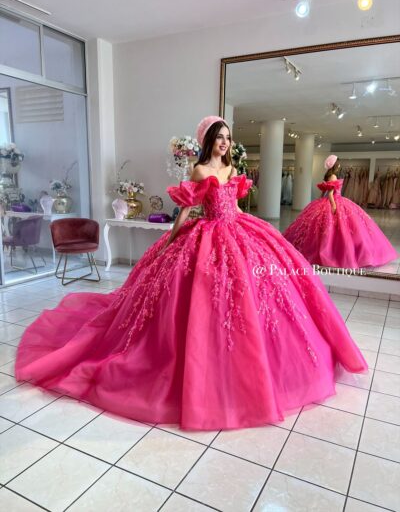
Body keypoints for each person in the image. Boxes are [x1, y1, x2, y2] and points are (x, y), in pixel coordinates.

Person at [15, 118, 368, 431]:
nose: (225, 143)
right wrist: (170, 240)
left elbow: (236, 205)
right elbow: (186, 209)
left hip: (237, 228)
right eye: (220, 137)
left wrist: (250, 224)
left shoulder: (232, 169)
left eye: (228, 137)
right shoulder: (200, 171)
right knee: (193, 294)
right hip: (208, 231)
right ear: (209, 140)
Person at [284, 154, 398, 269]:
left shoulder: (327, 175)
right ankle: (335, 253)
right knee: (339, 227)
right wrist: (333, 206)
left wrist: (320, 199)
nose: (339, 166)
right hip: (335, 200)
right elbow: (330, 193)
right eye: (338, 164)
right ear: (335, 165)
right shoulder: (333, 176)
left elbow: (324, 191)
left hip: (331, 200)